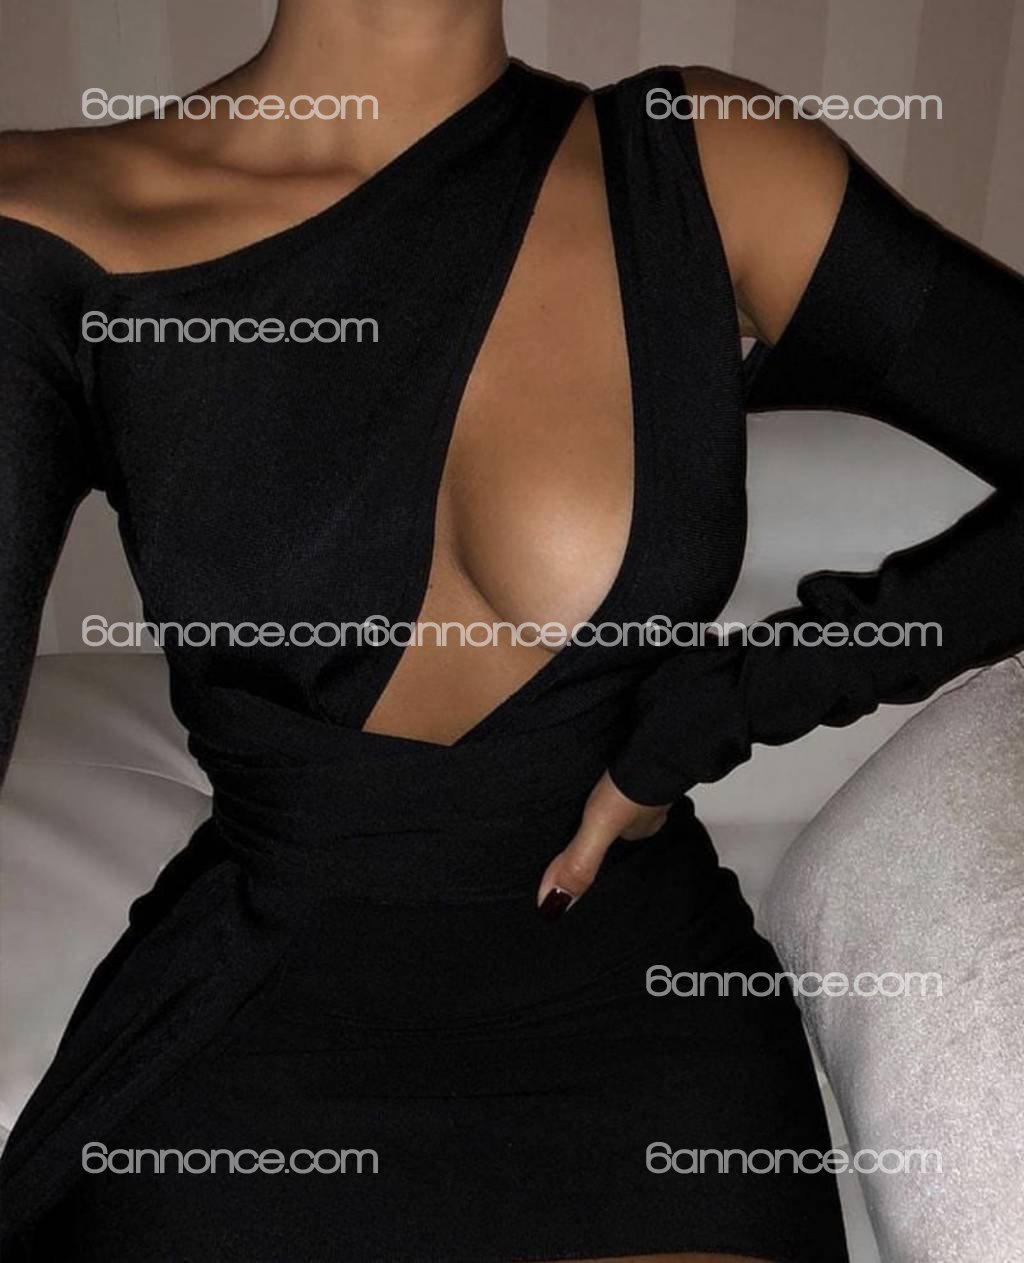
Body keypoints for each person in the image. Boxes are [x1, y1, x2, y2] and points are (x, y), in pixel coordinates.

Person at [1, 1, 1021, 1259]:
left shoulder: (704, 168)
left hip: (633, 1024)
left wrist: (731, 704)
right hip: (263, 1026)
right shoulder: (42, 217)